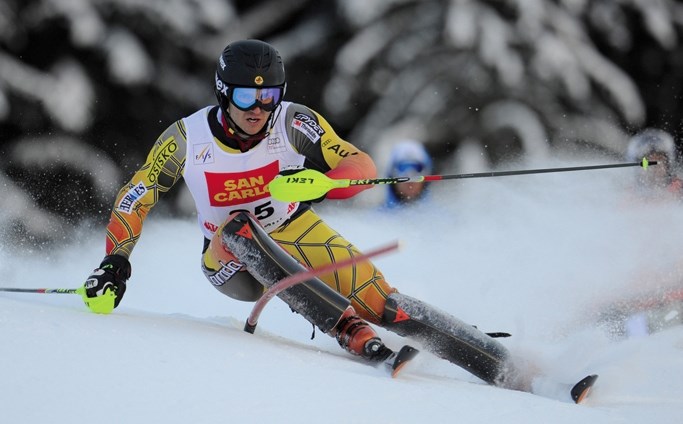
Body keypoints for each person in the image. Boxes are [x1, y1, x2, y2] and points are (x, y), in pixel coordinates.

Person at [81, 39, 523, 389]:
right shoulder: (187, 138)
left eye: (268, 95)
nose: (258, 109)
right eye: (244, 96)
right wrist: (115, 262)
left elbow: (360, 164)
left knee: (381, 300)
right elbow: (135, 195)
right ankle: (348, 329)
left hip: (293, 229)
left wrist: (330, 182)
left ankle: (494, 359)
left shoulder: (293, 121)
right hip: (229, 259)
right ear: (222, 93)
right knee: (239, 226)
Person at [626, 128, 682, 199]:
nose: (654, 167)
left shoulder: (679, 191)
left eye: (660, 160)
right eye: (647, 161)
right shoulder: (629, 195)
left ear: (668, 164)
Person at [383, 139, 433, 209]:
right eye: (402, 168)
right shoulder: (375, 218)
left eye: (417, 168)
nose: (410, 177)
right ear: (391, 175)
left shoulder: (441, 217)